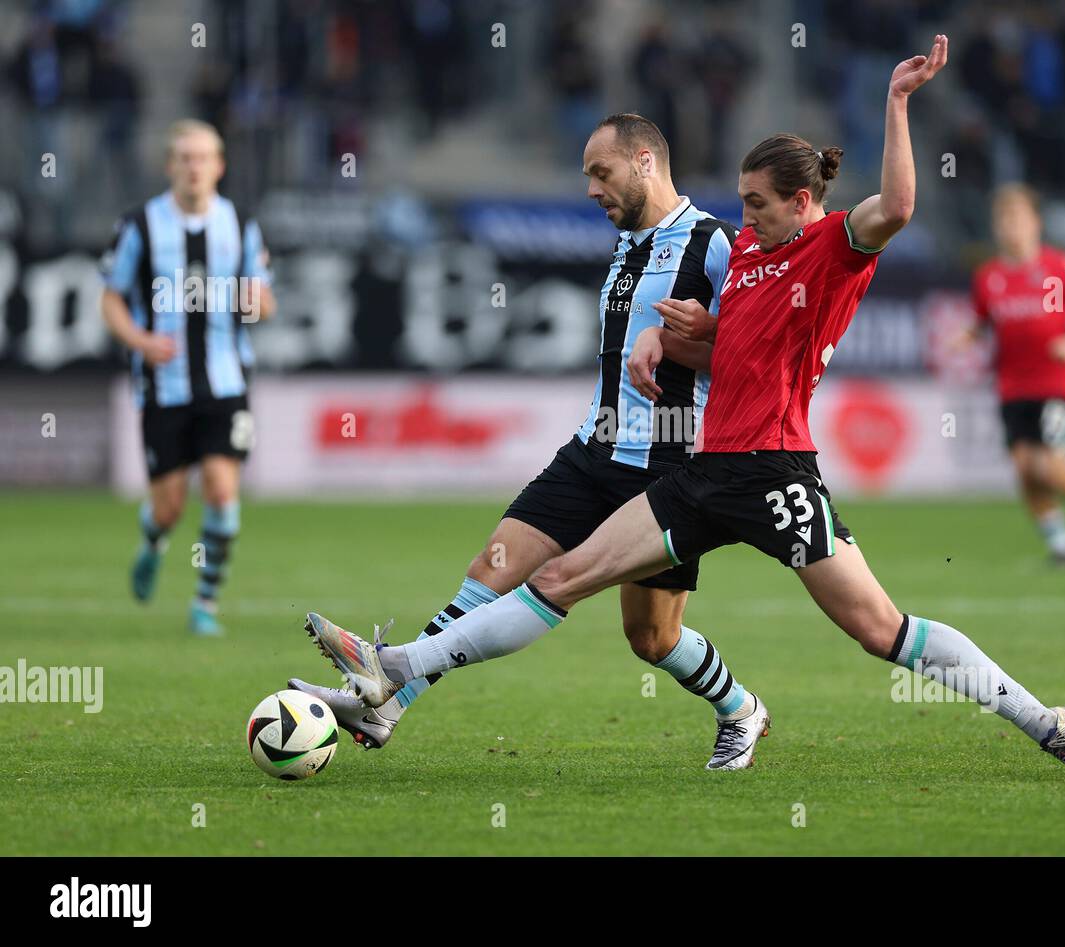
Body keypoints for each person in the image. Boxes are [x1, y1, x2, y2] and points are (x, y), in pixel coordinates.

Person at [302, 36, 1065, 781]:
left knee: (881, 630)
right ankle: (400, 667)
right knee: (563, 576)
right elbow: (722, 343)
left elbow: (898, 207)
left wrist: (898, 103)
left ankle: (1044, 720)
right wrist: (673, 342)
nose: (745, 215)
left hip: (775, 472)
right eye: (739, 200)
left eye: (759, 203)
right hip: (700, 471)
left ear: (801, 202)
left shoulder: (830, 248)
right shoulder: (747, 265)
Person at [292, 114, 768, 770]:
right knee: (491, 570)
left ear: (645, 164)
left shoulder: (715, 243)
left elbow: (761, 354)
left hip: (665, 468)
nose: (593, 190)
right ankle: (386, 699)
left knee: (652, 638)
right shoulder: (629, 246)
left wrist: (698, 337)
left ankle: (740, 707)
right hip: (591, 450)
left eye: (602, 173)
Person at [101, 119, 275, 636]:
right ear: (169, 166)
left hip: (225, 384)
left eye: (203, 158)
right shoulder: (141, 226)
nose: (194, 167)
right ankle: (153, 538)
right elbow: (110, 297)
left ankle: (205, 603)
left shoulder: (241, 225)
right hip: (164, 386)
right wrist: (140, 340)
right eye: (184, 157)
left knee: (222, 492)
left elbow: (266, 302)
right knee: (170, 506)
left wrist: (251, 300)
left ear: (219, 166)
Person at [967, 184, 1065, 566]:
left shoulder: (1060, 266)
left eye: (1018, 218)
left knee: (1048, 464)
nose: (1010, 226)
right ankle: (1062, 547)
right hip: (1012, 388)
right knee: (1024, 470)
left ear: (1036, 222)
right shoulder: (989, 277)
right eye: (1004, 219)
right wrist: (964, 338)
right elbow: (981, 323)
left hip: (1055, 386)